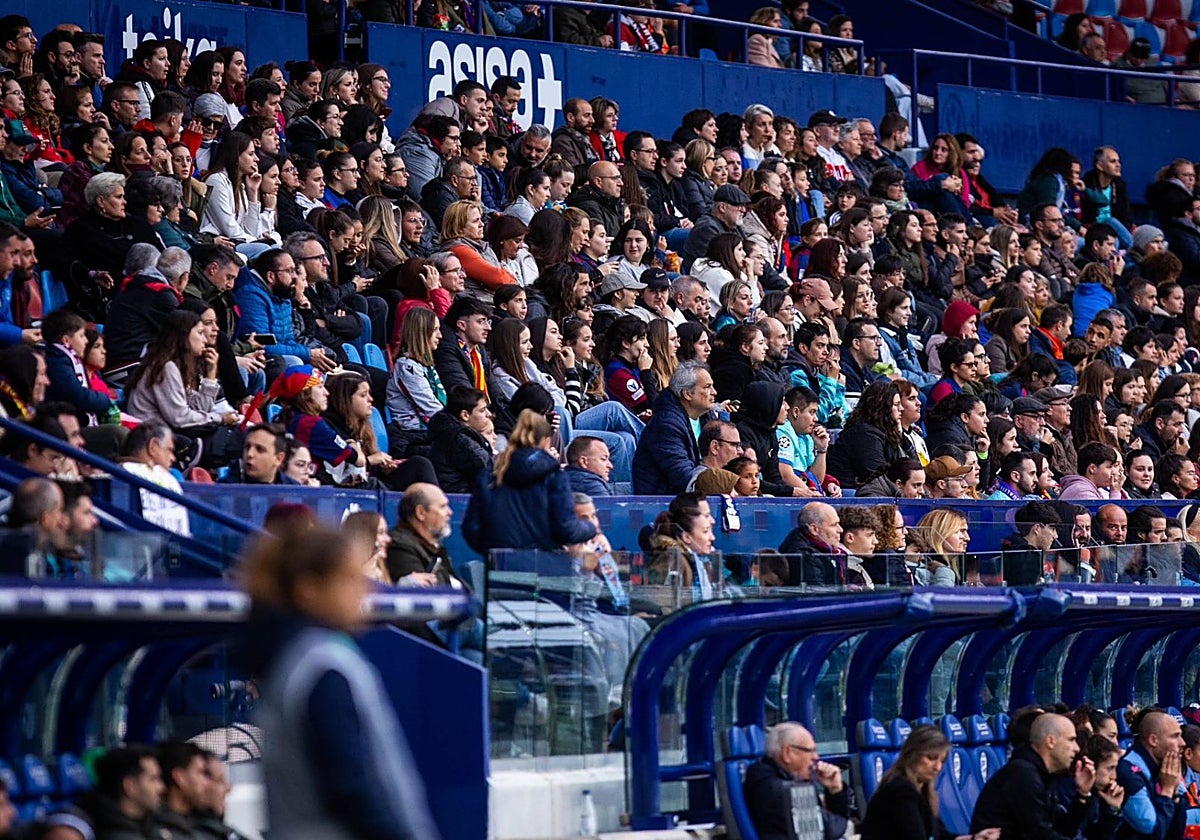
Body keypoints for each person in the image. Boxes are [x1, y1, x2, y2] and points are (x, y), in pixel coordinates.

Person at [241, 525, 440, 840]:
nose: (365, 591)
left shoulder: (294, 659)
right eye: (348, 579)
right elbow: (350, 788)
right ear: (309, 590)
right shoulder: (323, 667)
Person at [463, 408, 597, 553]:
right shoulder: (553, 475)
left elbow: (472, 528)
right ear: (546, 441)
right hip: (543, 568)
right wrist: (591, 527)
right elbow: (565, 528)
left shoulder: (490, 474)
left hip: (499, 568)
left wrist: (494, 552)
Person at [861, 724, 1001, 840]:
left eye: (942, 761)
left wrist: (974, 838)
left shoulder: (923, 791)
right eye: (931, 758)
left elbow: (941, 835)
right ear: (912, 755)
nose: (937, 767)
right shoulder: (900, 790)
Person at [970, 713, 1095, 840]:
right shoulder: (1023, 775)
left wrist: (1082, 795)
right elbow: (1039, 835)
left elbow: (1063, 830)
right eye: (1071, 740)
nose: (1077, 748)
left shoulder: (1041, 774)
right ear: (1051, 741)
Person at [744, 721, 851, 840]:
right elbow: (831, 830)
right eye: (810, 750)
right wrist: (841, 815)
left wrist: (834, 790)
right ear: (787, 753)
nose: (816, 757)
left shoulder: (765, 779)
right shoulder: (786, 791)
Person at [632, 361, 716, 495]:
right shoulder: (666, 424)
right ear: (687, 394)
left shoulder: (708, 417)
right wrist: (726, 483)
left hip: (695, 498)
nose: (714, 392)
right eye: (707, 387)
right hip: (663, 505)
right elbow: (684, 477)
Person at [1116, 709, 1187, 840]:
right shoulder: (1129, 770)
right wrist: (1167, 791)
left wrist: (1175, 794)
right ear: (1153, 740)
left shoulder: (1164, 769)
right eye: (1175, 736)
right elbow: (1153, 832)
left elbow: (1176, 833)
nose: (1182, 743)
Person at [827, 380, 903, 489]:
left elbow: (908, 467)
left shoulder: (884, 431)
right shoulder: (864, 434)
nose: (901, 409)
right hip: (850, 493)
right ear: (882, 407)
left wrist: (901, 436)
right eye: (896, 405)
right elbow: (877, 476)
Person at [82, 747, 165, 840]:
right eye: (153, 779)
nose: (162, 788)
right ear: (130, 787)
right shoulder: (115, 834)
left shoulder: (150, 828)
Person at [425, 386, 494, 494]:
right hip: (460, 499)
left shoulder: (451, 431)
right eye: (482, 410)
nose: (489, 414)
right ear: (465, 415)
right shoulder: (458, 438)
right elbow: (489, 469)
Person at [777, 502, 845, 586]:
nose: (840, 530)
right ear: (814, 529)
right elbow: (818, 595)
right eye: (834, 525)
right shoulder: (806, 557)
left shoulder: (828, 551)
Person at [157, 740, 209, 839]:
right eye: (200, 773)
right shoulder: (159, 833)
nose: (206, 782)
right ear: (180, 778)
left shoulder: (194, 827)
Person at [223, 423, 297, 486]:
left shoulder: (294, 491)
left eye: (259, 449)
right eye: (247, 447)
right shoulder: (223, 490)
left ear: (279, 458)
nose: (249, 454)